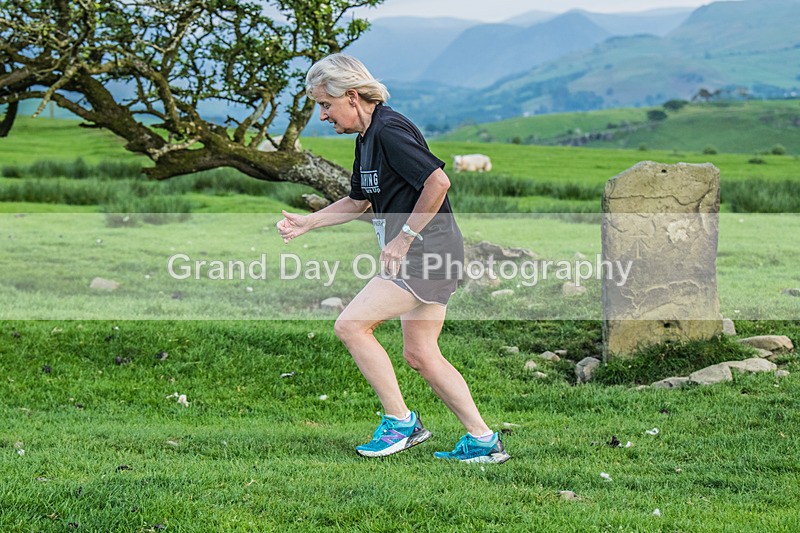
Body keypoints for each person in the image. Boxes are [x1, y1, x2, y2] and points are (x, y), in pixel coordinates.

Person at [277, 53, 510, 464]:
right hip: (423, 254)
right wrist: (307, 223)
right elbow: (358, 201)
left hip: (427, 254)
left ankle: (401, 423)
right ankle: (484, 441)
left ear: (351, 96)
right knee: (421, 354)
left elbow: (438, 182)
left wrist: (404, 237)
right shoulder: (366, 140)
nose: (322, 116)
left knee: (351, 325)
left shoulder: (389, 129)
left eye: (325, 105)